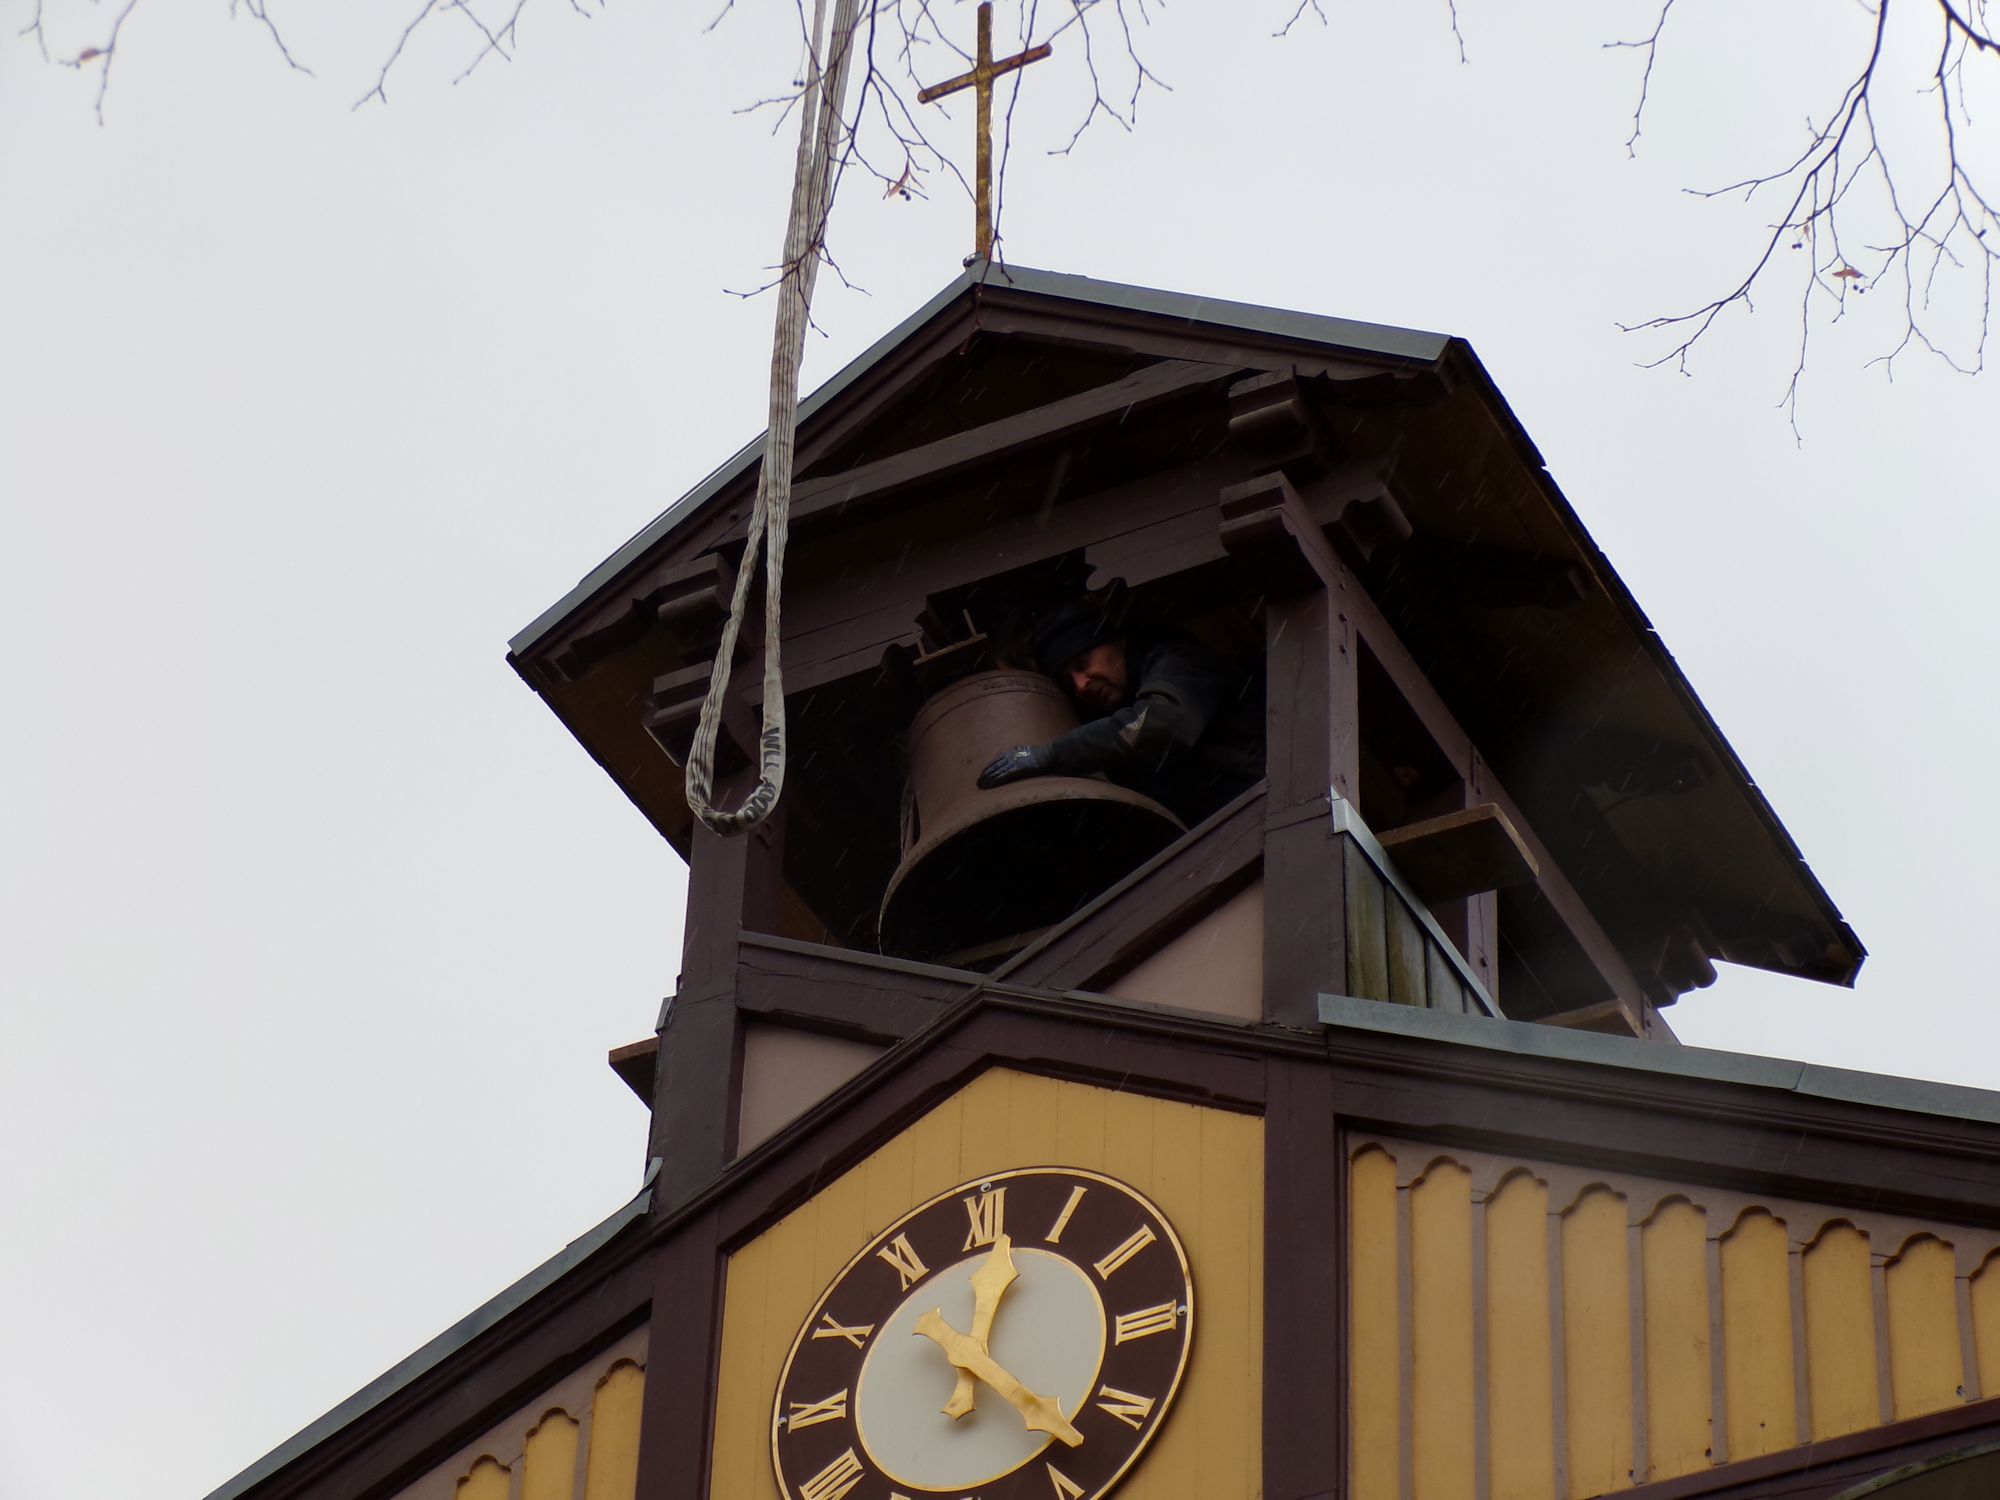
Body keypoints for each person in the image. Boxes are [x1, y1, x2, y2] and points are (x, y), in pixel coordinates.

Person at [975, 599, 1265, 825]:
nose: (1081, 685)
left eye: (1082, 664)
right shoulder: (1110, 724)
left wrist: (1051, 753)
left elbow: (1160, 725)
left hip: (1277, 797)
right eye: (1068, 681)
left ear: (1118, 645)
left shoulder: (1180, 664)